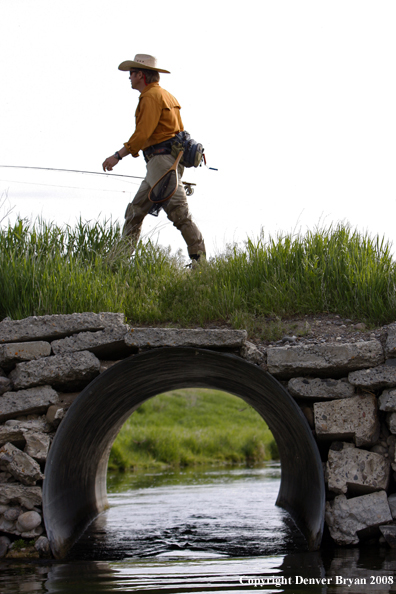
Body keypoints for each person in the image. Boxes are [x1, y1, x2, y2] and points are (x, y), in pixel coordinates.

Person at [102, 54, 206, 262]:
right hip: (166, 163)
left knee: (179, 213)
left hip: (161, 163)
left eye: (131, 74)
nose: (129, 78)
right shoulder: (167, 96)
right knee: (135, 211)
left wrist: (117, 156)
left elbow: (143, 134)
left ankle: (200, 263)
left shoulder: (149, 97)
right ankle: (117, 262)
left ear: (141, 75)